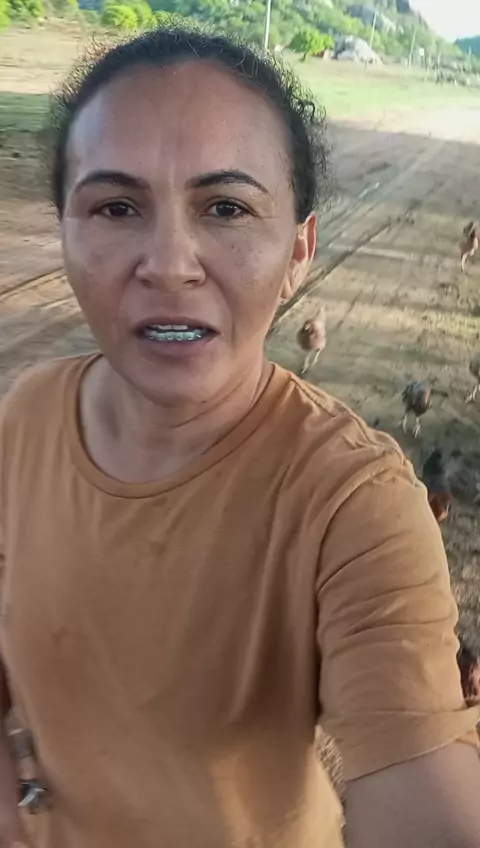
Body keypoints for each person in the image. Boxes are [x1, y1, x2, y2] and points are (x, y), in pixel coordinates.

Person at [0, 26, 479, 848]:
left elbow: (423, 796)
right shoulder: (27, 415)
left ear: (298, 252)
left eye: (226, 208)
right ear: (66, 231)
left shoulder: (355, 507)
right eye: (116, 207)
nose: (168, 265)